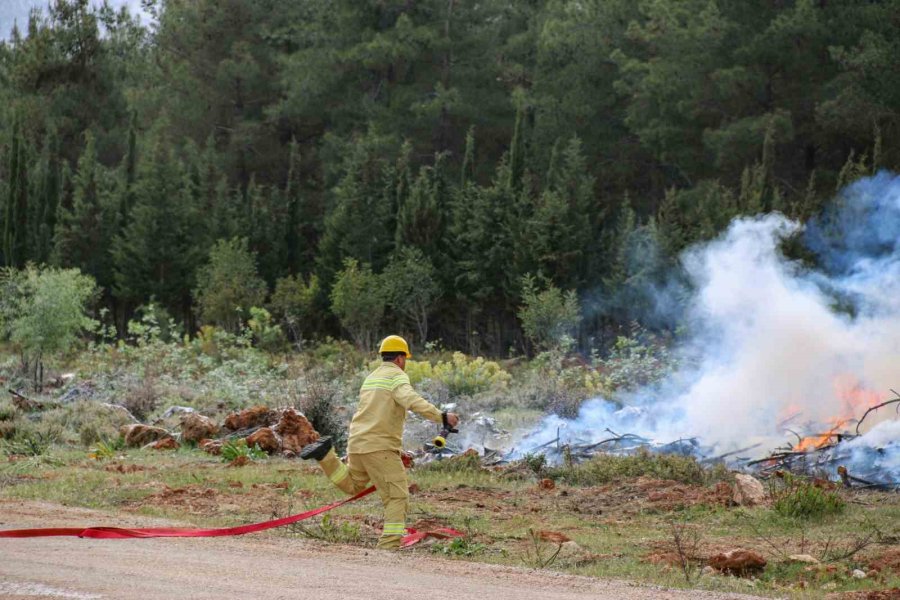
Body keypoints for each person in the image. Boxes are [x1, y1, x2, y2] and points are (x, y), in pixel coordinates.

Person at [300, 334, 459, 549]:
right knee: (397, 496)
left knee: (353, 485)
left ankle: (326, 455)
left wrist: (397, 451)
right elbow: (411, 400)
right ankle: (389, 546)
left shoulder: (372, 377)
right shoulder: (396, 377)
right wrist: (442, 417)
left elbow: (379, 417)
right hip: (378, 447)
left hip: (358, 442)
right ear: (401, 359)